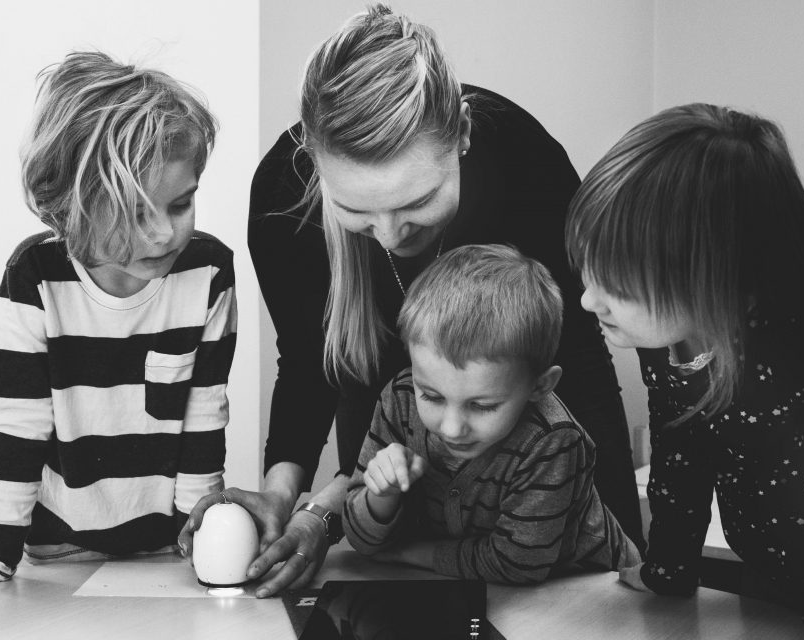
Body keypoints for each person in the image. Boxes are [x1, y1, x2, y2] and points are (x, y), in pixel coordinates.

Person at [179, 3, 642, 598]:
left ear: (463, 137)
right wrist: (286, 498)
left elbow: (581, 359)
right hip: (394, 464)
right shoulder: (280, 198)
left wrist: (627, 549)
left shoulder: (526, 164)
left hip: (532, 482)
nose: (393, 237)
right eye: (357, 212)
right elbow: (308, 363)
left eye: (416, 203)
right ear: (314, 165)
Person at [564, 103, 804, 639]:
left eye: (616, 287)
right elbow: (680, 451)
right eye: (588, 272)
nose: (586, 300)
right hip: (766, 555)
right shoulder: (671, 332)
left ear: (716, 274)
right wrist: (668, 567)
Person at [0, 51, 236, 588]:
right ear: (68, 206)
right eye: (134, 212)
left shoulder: (209, 271)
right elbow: (19, 424)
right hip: (59, 553)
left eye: (180, 205)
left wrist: (199, 539)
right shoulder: (33, 274)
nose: (161, 235)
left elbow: (205, 414)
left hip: (167, 551)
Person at [343, 244, 642, 583]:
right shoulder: (399, 401)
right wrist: (381, 496)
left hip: (598, 590)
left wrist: (404, 552)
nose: (452, 428)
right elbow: (359, 537)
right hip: (484, 587)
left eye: (482, 406)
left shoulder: (553, 440)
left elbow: (516, 564)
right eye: (431, 396)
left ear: (540, 386)